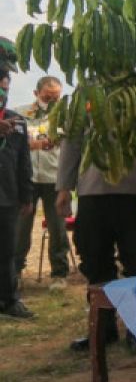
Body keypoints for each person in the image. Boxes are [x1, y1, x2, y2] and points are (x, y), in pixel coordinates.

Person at [56, 137, 136, 350]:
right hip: (92, 189)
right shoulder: (80, 101)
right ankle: (102, 329)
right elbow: (72, 141)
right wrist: (64, 187)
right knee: (94, 260)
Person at [14, 76, 69, 290]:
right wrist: (35, 144)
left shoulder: (64, 116)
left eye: (56, 97)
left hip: (54, 178)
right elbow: (15, 142)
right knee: (21, 227)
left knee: (57, 227)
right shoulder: (20, 113)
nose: (52, 101)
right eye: (48, 97)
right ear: (36, 94)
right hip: (27, 178)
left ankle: (59, 273)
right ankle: (15, 271)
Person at [0, 69, 34, 319]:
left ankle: (9, 300)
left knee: (7, 250)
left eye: (6, 89)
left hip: (8, 196)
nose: (3, 94)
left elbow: (24, 162)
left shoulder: (18, 122)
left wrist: (26, 196)